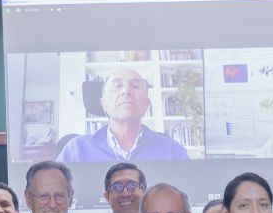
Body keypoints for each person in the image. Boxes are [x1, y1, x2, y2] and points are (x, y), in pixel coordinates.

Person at [57, 67, 189, 162]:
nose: (126, 91)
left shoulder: (173, 151)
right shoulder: (76, 150)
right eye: (117, 86)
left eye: (135, 86)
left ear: (147, 104)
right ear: (104, 103)